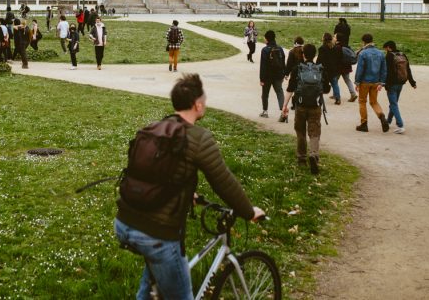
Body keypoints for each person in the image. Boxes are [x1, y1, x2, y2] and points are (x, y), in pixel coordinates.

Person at [115, 73, 265, 299]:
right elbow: (224, 182)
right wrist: (248, 211)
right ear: (198, 104)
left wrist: (184, 191)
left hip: (125, 221)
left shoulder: (157, 127)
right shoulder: (199, 138)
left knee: (149, 288)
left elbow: (154, 174)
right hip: (156, 236)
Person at [282, 44, 330, 174]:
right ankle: (314, 154)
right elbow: (326, 89)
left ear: (303, 55)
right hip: (315, 106)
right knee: (314, 132)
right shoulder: (320, 69)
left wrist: (284, 105)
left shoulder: (297, 68)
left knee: (300, 131)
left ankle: (301, 158)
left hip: (300, 106)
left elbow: (290, 89)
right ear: (314, 55)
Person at [354, 33, 388, 133]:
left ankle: (364, 124)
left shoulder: (363, 53)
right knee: (374, 102)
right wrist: (382, 82)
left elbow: (360, 69)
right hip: (376, 82)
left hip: (365, 81)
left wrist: (357, 82)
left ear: (363, 42)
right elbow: (384, 69)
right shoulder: (380, 53)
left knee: (362, 101)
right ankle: (381, 116)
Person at [382, 41, 417, 134]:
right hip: (401, 82)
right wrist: (412, 82)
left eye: (385, 49)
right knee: (393, 103)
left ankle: (400, 125)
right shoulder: (402, 55)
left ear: (389, 47)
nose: (385, 51)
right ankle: (388, 121)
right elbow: (408, 69)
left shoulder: (389, 56)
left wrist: (385, 84)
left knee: (393, 104)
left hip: (392, 84)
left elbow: (387, 72)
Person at [259, 30, 286, 120]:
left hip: (267, 76)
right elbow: (283, 63)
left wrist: (262, 79)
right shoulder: (280, 48)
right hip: (278, 75)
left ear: (267, 39)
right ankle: (283, 112)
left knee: (265, 94)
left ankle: (265, 111)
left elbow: (263, 66)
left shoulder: (265, 50)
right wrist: (283, 74)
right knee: (279, 92)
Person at [317, 33, 342, 104]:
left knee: (321, 84)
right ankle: (338, 98)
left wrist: (317, 66)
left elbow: (320, 59)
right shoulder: (334, 47)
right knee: (335, 84)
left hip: (325, 69)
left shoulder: (322, 48)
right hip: (333, 69)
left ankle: (320, 99)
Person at [335, 33, 358, 102]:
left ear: (337, 39)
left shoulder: (337, 47)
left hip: (339, 67)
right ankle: (353, 93)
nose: (333, 37)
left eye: (335, 37)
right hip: (346, 66)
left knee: (335, 81)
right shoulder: (347, 46)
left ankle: (336, 94)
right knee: (347, 80)